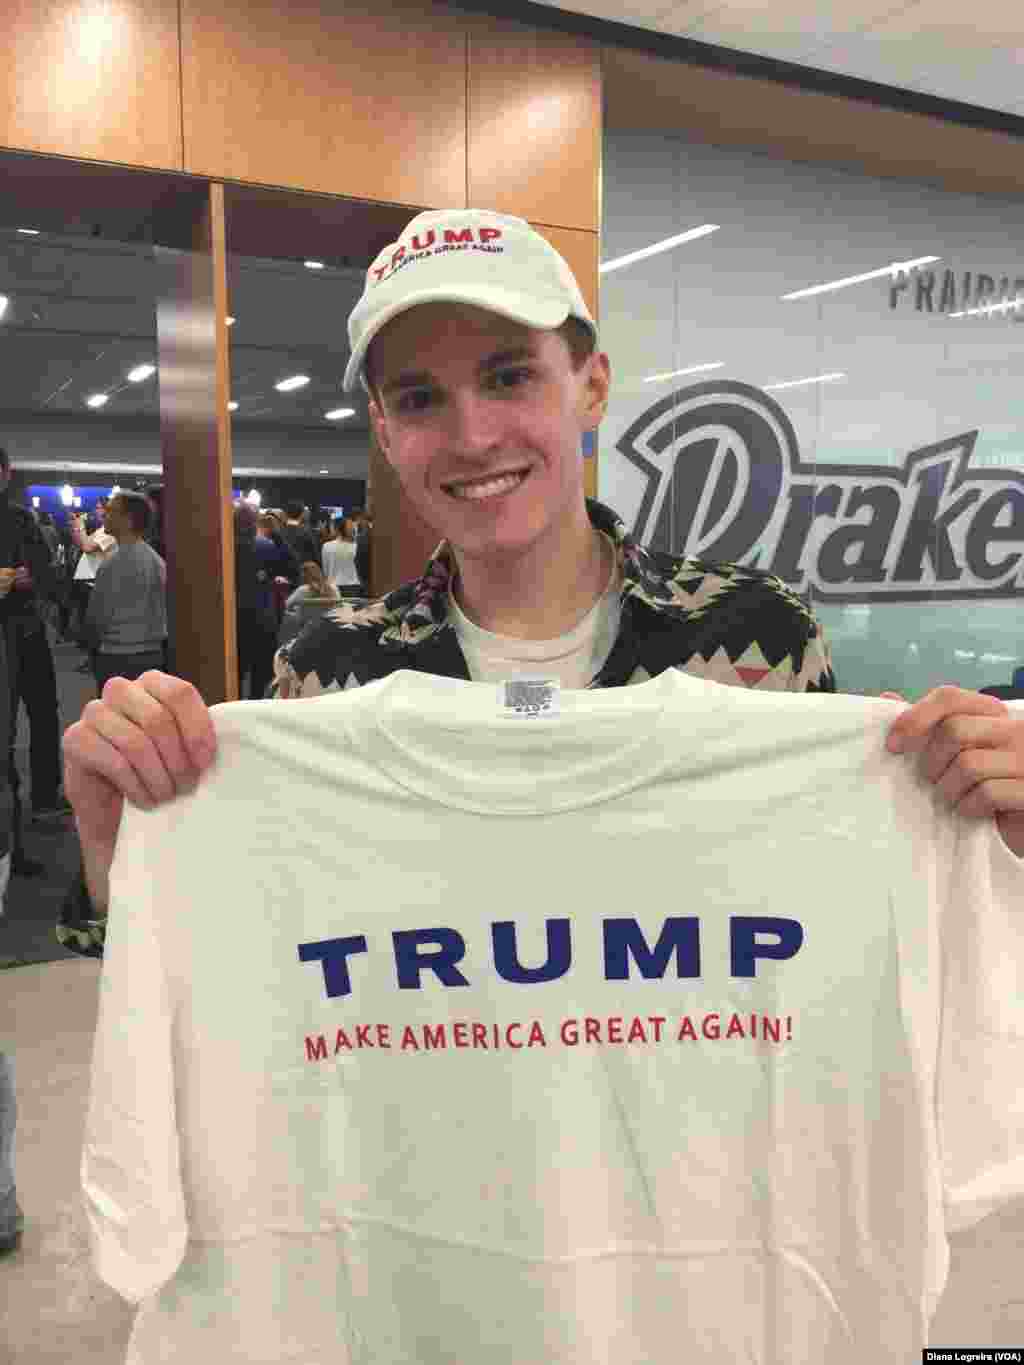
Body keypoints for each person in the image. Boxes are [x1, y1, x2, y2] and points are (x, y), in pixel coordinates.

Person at [0, 452, 69, 827]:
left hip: (27, 630)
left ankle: (44, 794)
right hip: (10, 634)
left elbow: (45, 572)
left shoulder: (21, 519)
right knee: (4, 723)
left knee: (43, 713)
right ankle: (8, 802)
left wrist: (31, 578)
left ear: (6, 474)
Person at [80, 492, 167, 692]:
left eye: (111, 511)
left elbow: (96, 618)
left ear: (128, 520)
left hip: (116, 657)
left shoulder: (111, 565)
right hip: (153, 655)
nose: (104, 515)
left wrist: (91, 644)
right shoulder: (156, 561)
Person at [320, 514, 362, 594]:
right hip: (353, 586)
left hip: (332, 586)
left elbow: (325, 569)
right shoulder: (356, 547)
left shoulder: (326, 546)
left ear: (336, 529)